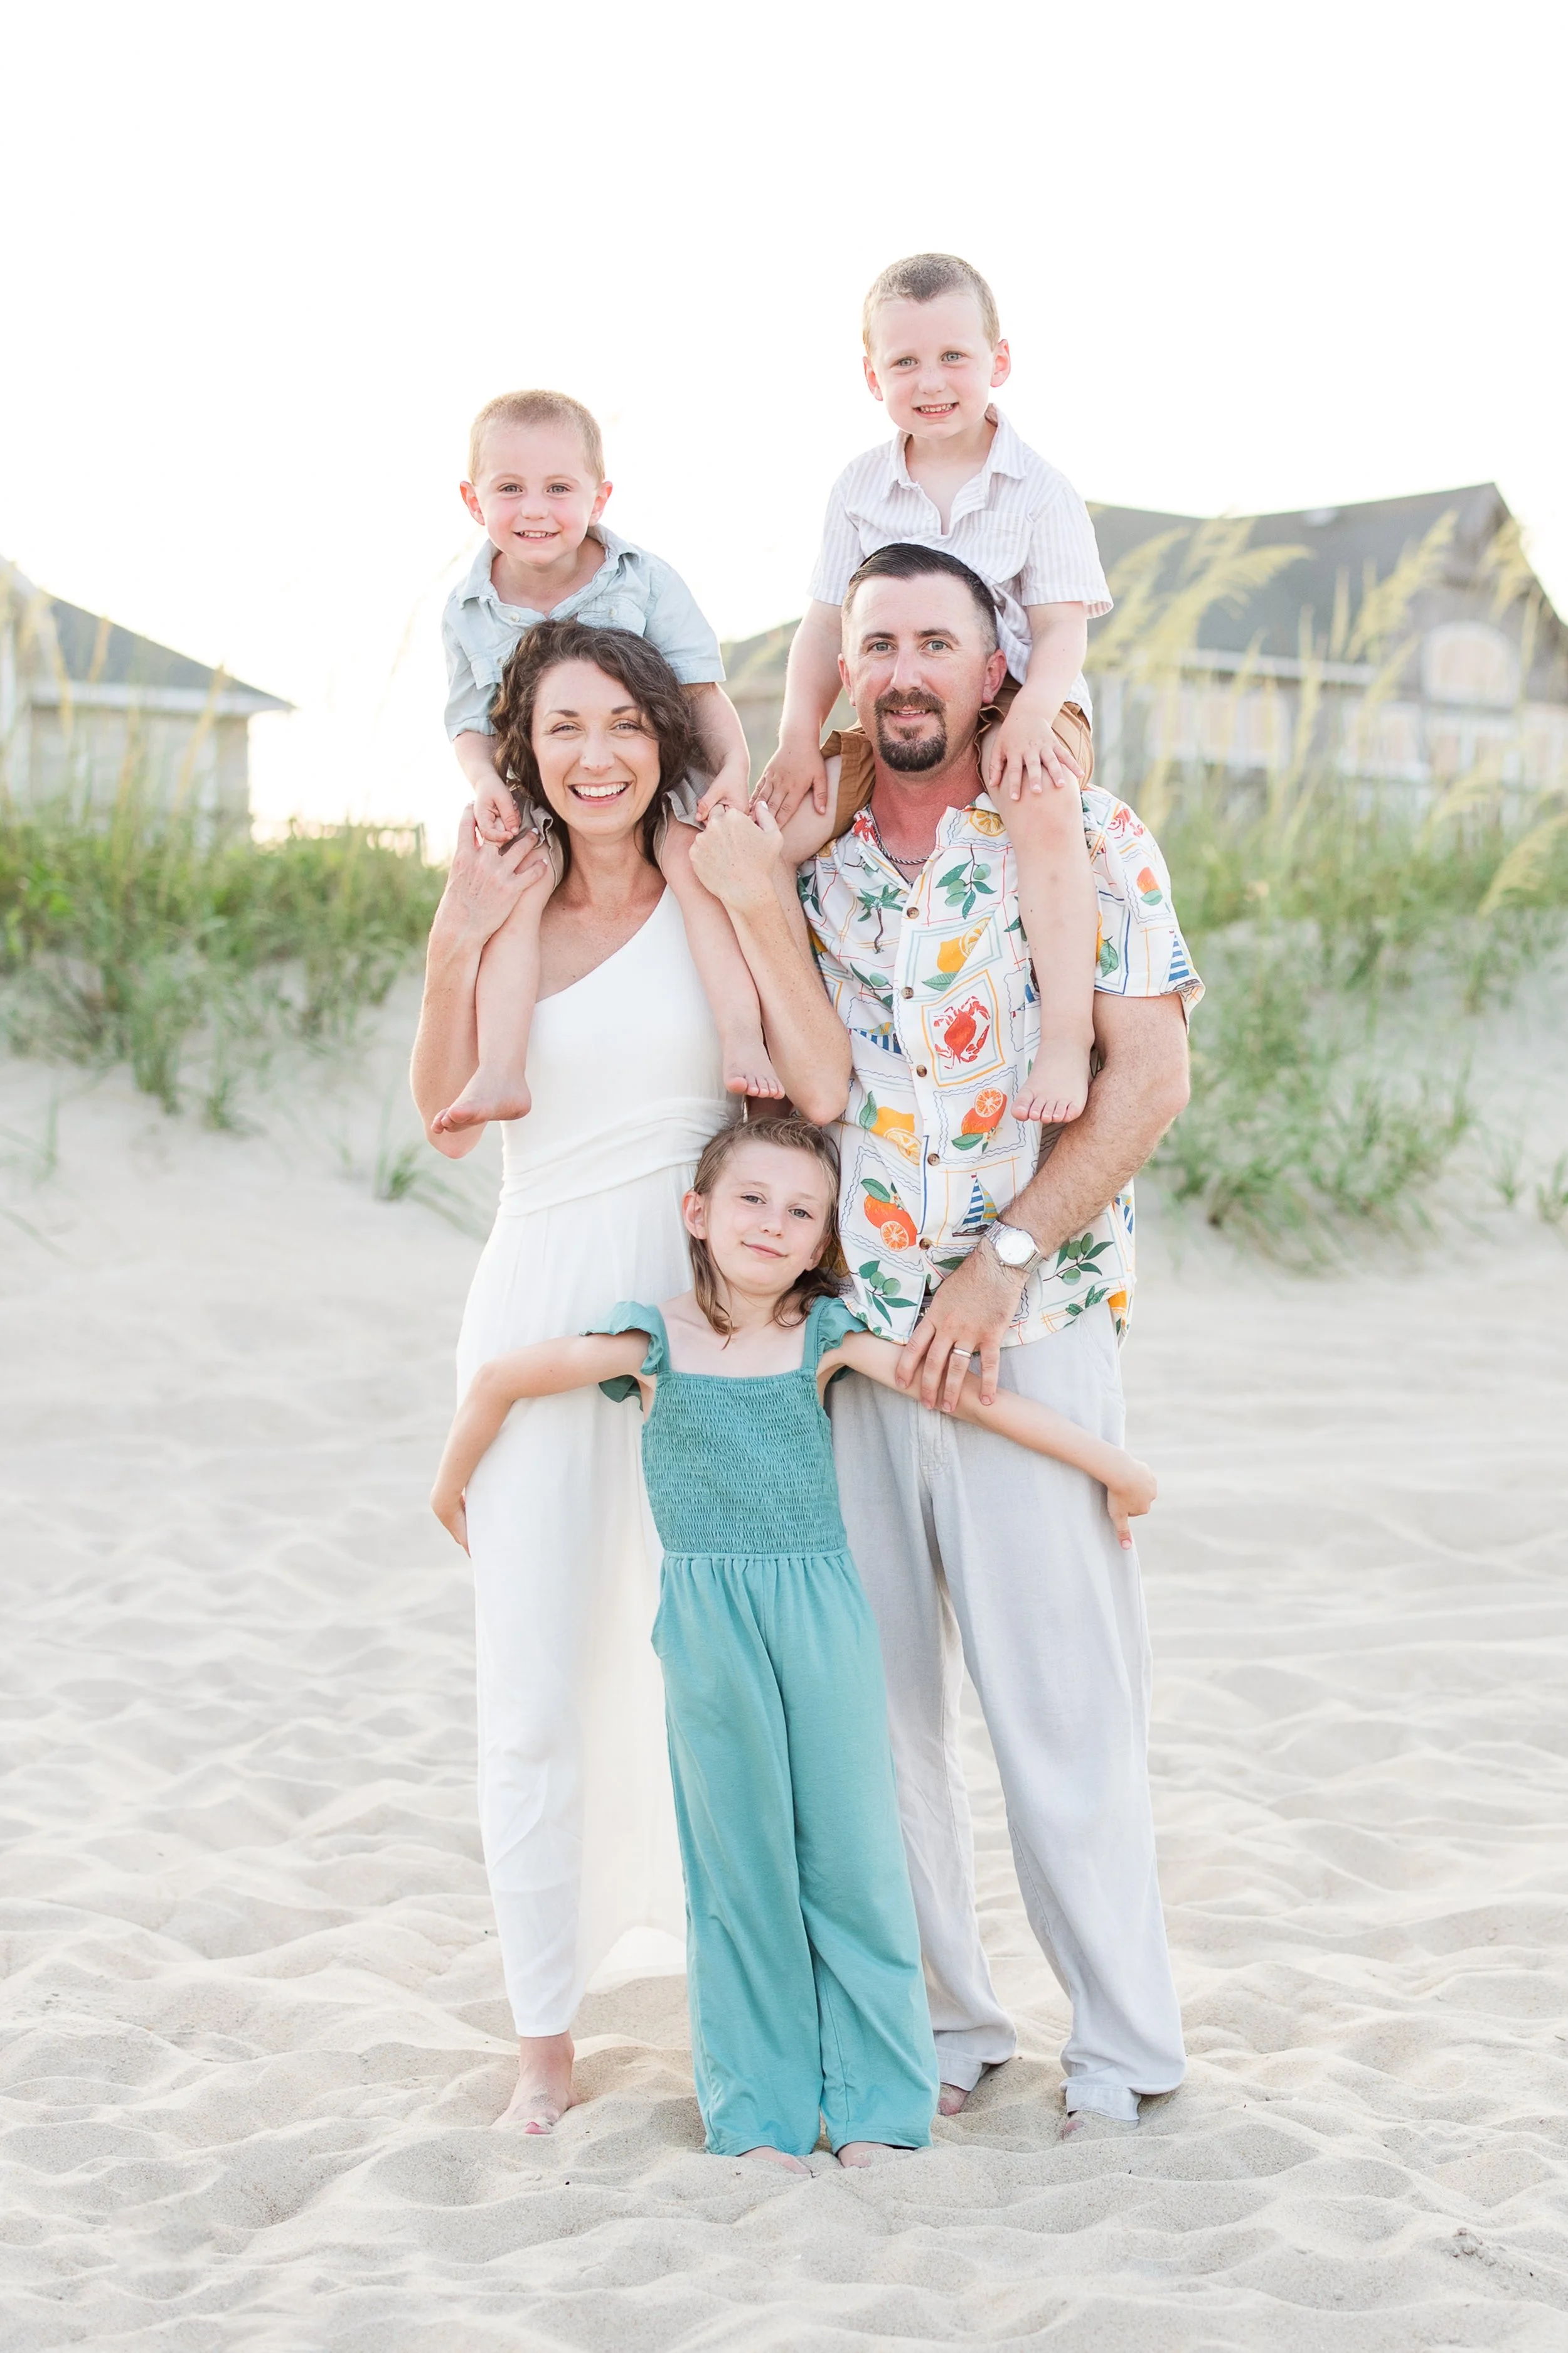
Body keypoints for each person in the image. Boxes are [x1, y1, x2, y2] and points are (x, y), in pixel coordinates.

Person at [695, 542, 1202, 2138]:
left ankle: (1126, 2041)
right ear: (845, 672)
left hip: (1025, 1333)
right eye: (876, 643)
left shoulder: (1089, 836)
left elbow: (1149, 1076)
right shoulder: (821, 862)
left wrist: (1009, 1254)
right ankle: (948, 2018)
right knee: (881, 1712)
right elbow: (791, 1086)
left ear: (998, 667)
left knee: (1061, 1710)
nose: (904, 667)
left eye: (937, 640)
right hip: (851, 1352)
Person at [430, 1118, 1158, 2169]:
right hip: (708, 1631)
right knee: (740, 1873)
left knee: (855, 1860)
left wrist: (1113, 1467)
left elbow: (966, 1395)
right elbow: (500, 1379)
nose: (772, 1224)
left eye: (800, 1211)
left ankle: (874, 2110)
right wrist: (452, 1489)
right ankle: (759, 2115)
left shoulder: (824, 1343)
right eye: (750, 1201)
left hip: (821, 1624)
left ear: (825, 1243)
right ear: (698, 1215)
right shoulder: (648, 1344)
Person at [409, 624, 850, 2134]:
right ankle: (546, 2035)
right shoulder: (508, 896)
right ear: (521, 752)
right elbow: (441, 1110)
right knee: (532, 1680)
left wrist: (761, 908)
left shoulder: (713, 888)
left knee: (710, 1670)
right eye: (559, 727)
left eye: (621, 723)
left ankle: (742, 1976)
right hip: (532, 1296)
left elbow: (824, 1083)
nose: (592, 752)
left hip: (699, 1323)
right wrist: (459, 934)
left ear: (664, 737)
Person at [756, 252, 1111, 1126]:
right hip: (893, 709)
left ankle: (1065, 1032)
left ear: (1000, 361)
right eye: (905, 363)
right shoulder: (859, 487)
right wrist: (799, 733)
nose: (931, 381)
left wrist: (1029, 713)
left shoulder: (1041, 488)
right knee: (771, 833)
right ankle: (768, 1026)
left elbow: (1064, 626)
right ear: (872, 374)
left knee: (1039, 800)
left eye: (954, 357)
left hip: (1023, 697)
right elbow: (819, 627)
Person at [436, 387, 781, 1125]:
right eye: (510, 488)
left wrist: (731, 773)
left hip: (652, 783)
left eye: (559, 488)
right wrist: (483, 781)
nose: (535, 509)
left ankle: (742, 1040)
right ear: (473, 500)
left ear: (601, 495)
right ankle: (500, 1071)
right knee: (521, 892)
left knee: (693, 872)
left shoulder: (643, 579)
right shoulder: (467, 608)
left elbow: (700, 690)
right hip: (544, 794)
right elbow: (468, 720)